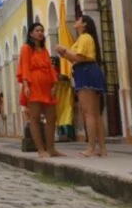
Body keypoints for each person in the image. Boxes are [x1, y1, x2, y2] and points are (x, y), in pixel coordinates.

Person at [57, 14, 107, 157]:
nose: (76, 21)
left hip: (85, 73)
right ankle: (101, 149)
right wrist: (64, 53)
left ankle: (91, 147)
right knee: (95, 114)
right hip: (86, 71)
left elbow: (79, 58)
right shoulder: (84, 38)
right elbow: (75, 58)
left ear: (84, 24)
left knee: (89, 113)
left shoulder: (85, 38)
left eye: (79, 20)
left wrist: (64, 51)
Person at [19, 22, 64, 159]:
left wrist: (54, 84)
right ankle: (40, 149)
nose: (40, 32)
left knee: (51, 117)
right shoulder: (26, 48)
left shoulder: (44, 49)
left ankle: (51, 148)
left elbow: (50, 68)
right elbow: (25, 66)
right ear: (31, 33)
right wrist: (26, 85)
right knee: (35, 118)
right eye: (37, 30)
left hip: (46, 85)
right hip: (33, 85)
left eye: (42, 30)